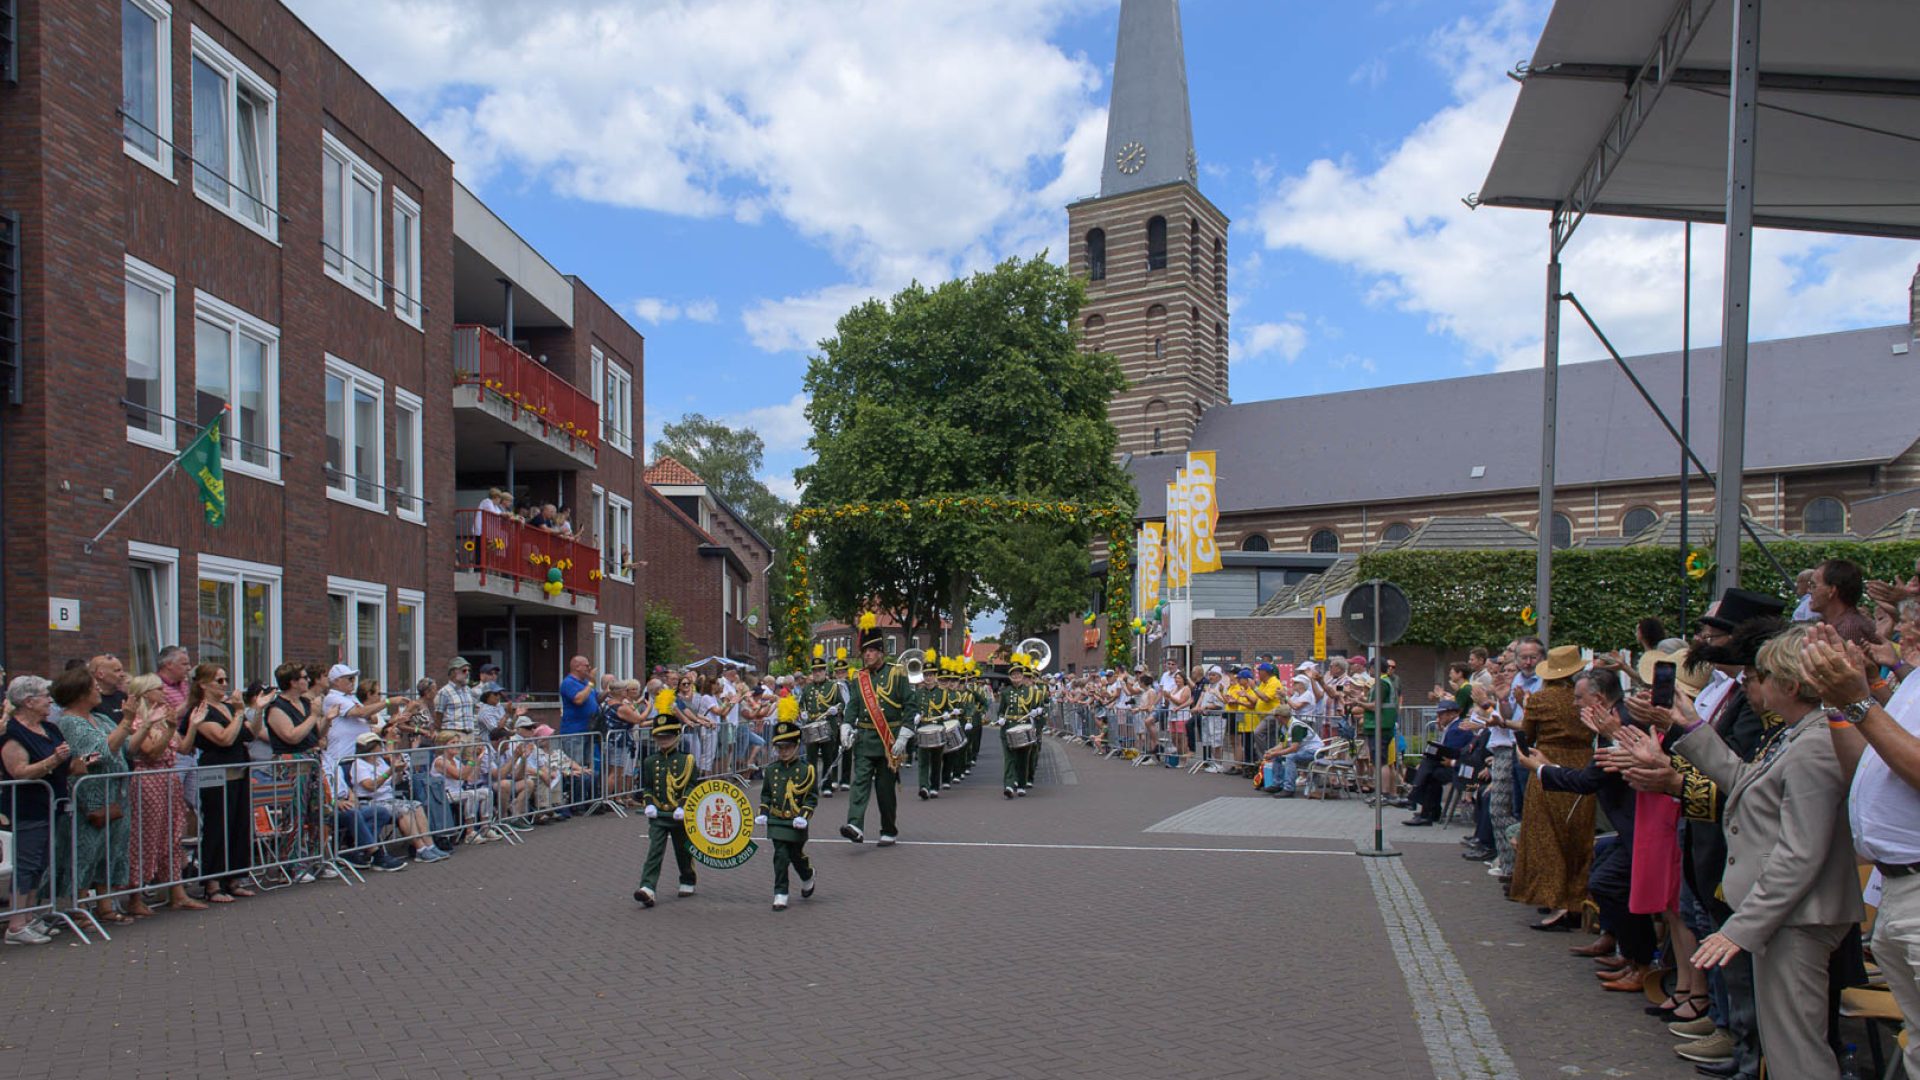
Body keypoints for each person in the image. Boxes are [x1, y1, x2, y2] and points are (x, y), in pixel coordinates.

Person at [1654, 624, 1862, 1080]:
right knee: (1785, 1040)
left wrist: (1743, 927)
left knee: (1797, 1048)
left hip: (1797, 917)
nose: (1753, 684)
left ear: (1788, 685)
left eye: (1760, 676)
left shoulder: (1814, 744)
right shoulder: (1796, 734)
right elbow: (1745, 782)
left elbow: (1801, 852)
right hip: (1787, 914)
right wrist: (1692, 726)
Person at [1800, 622, 1920, 1078]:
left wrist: (1859, 702)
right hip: (1898, 888)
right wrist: (1838, 703)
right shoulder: (1913, 681)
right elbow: (1863, 766)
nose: (1905, 624)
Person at [1509, 644, 1594, 930]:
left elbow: (1527, 733)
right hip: (1583, 765)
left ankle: (1555, 900)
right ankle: (1577, 900)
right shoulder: (1585, 699)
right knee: (1579, 836)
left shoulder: (1540, 700)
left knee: (1546, 837)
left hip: (1546, 764)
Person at [2, 675, 84, 946]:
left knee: (40, 863)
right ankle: (15, 924)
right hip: (28, 808)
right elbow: (19, 771)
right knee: (26, 864)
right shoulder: (13, 733)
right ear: (28, 701)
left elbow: (66, 763)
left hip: (53, 804)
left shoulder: (49, 728)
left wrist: (80, 762)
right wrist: (53, 760)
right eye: (45, 696)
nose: (50, 701)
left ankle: (29, 916)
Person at [48, 666, 132, 926]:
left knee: (110, 849)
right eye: (93, 686)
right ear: (80, 693)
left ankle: (105, 905)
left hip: (115, 793)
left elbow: (128, 747)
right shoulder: (70, 722)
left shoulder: (101, 718)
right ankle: (80, 906)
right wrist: (126, 722)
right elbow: (101, 752)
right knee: (87, 850)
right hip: (89, 795)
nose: (98, 690)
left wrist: (146, 724)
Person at [124, 674, 204, 915]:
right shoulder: (138, 721)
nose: (163, 692)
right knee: (146, 838)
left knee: (173, 835)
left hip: (169, 779)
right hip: (148, 780)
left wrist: (193, 726)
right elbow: (151, 753)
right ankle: (135, 895)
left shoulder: (162, 719)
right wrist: (169, 730)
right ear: (146, 693)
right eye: (158, 688)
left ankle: (176, 892)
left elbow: (184, 748)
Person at [840, 617, 917, 844]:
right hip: (865, 739)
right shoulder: (859, 677)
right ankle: (855, 824)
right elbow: (853, 705)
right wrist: (846, 725)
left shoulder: (897, 673)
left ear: (881, 652)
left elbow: (910, 706)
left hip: (888, 741)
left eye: (872, 651)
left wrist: (904, 736)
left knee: (885, 790)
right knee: (859, 783)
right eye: (865, 651)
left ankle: (889, 830)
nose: (867, 655)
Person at [192, 667, 261, 902]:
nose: (224, 684)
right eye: (219, 680)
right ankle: (212, 883)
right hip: (216, 772)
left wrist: (258, 710)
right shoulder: (202, 710)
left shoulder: (229, 708)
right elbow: (224, 738)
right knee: (217, 825)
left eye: (226, 679)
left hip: (238, 770)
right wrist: (240, 713)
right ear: (203, 684)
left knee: (239, 824)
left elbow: (251, 734)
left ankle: (233, 878)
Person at [348, 731, 448, 863]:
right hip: (371, 801)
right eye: (378, 744)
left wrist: (399, 772)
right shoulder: (359, 764)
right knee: (403, 810)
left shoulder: (379, 761)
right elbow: (370, 786)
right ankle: (420, 849)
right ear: (371, 747)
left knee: (416, 806)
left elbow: (394, 782)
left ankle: (430, 845)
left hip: (389, 798)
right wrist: (390, 771)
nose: (381, 747)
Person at [755, 709, 818, 910]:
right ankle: (780, 892)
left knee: (795, 855)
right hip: (777, 821)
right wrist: (763, 812)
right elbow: (766, 794)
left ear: (797, 745)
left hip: (795, 821)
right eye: (780, 747)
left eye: (788, 747)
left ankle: (807, 874)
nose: (784, 751)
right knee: (780, 856)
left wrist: (804, 816)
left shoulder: (806, 770)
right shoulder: (772, 770)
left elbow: (811, 797)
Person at [634, 716, 698, 907]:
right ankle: (648, 887)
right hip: (659, 814)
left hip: (679, 814)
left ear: (677, 736)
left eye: (668, 736)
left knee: (683, 850)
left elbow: (691, 786)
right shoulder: (650, 761)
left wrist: (683, 806)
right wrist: (649, 804)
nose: (664, 740)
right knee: (655, 851)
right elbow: (648, 787)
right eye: (660, 736)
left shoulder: (686, 760)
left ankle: (687, 878)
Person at [1259, 686, 1325, 799]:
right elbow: (1282, 744)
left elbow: (1294, 748)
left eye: (1276, 716)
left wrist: (1275, 753)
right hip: (1305, 750)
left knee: (1290, 757)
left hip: (1315, 751)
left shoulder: (1296, 726)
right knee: (1277, 756)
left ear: (1280, 717)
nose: (1275, 718)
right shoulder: (1284, 726)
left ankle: (1289, 788)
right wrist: (1271, 751)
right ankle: (1277, 784)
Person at [999, 651, 1048, 799]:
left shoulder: (1031, 692)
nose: (1016, 676)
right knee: (1009, 758)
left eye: (1019, 674)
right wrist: (1001, 718)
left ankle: (1021, 784)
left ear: (1022, 675)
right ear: (1010, 676)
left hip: (1025, 726)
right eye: (1013, 674)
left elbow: (1041, 708)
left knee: (1023, 758)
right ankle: (1008, 785)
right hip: (1009, 727)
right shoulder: (1006, 692)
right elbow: (1001, 710)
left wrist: (1038, 711)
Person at [800, 646, 845, 796]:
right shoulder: (807, 688)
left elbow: (841, 704)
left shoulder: (832, 687)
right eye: (815, 671)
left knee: (828, 757)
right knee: (811, 759)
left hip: (828, 725)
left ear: (825, 671)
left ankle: (826, 786)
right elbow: (801, 704)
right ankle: (812, 787)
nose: (817, 673)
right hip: (811, 725)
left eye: (820, 670)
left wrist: (836, 709)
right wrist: (803, 713)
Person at [434, 657, 478, 734]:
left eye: (469, 670)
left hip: (469, 734)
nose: (467, 673)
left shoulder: (469, 690)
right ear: (453, 672)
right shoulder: (444, 692)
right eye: (464, 670)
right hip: (452, 733)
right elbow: (438, 716)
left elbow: (473, 711)